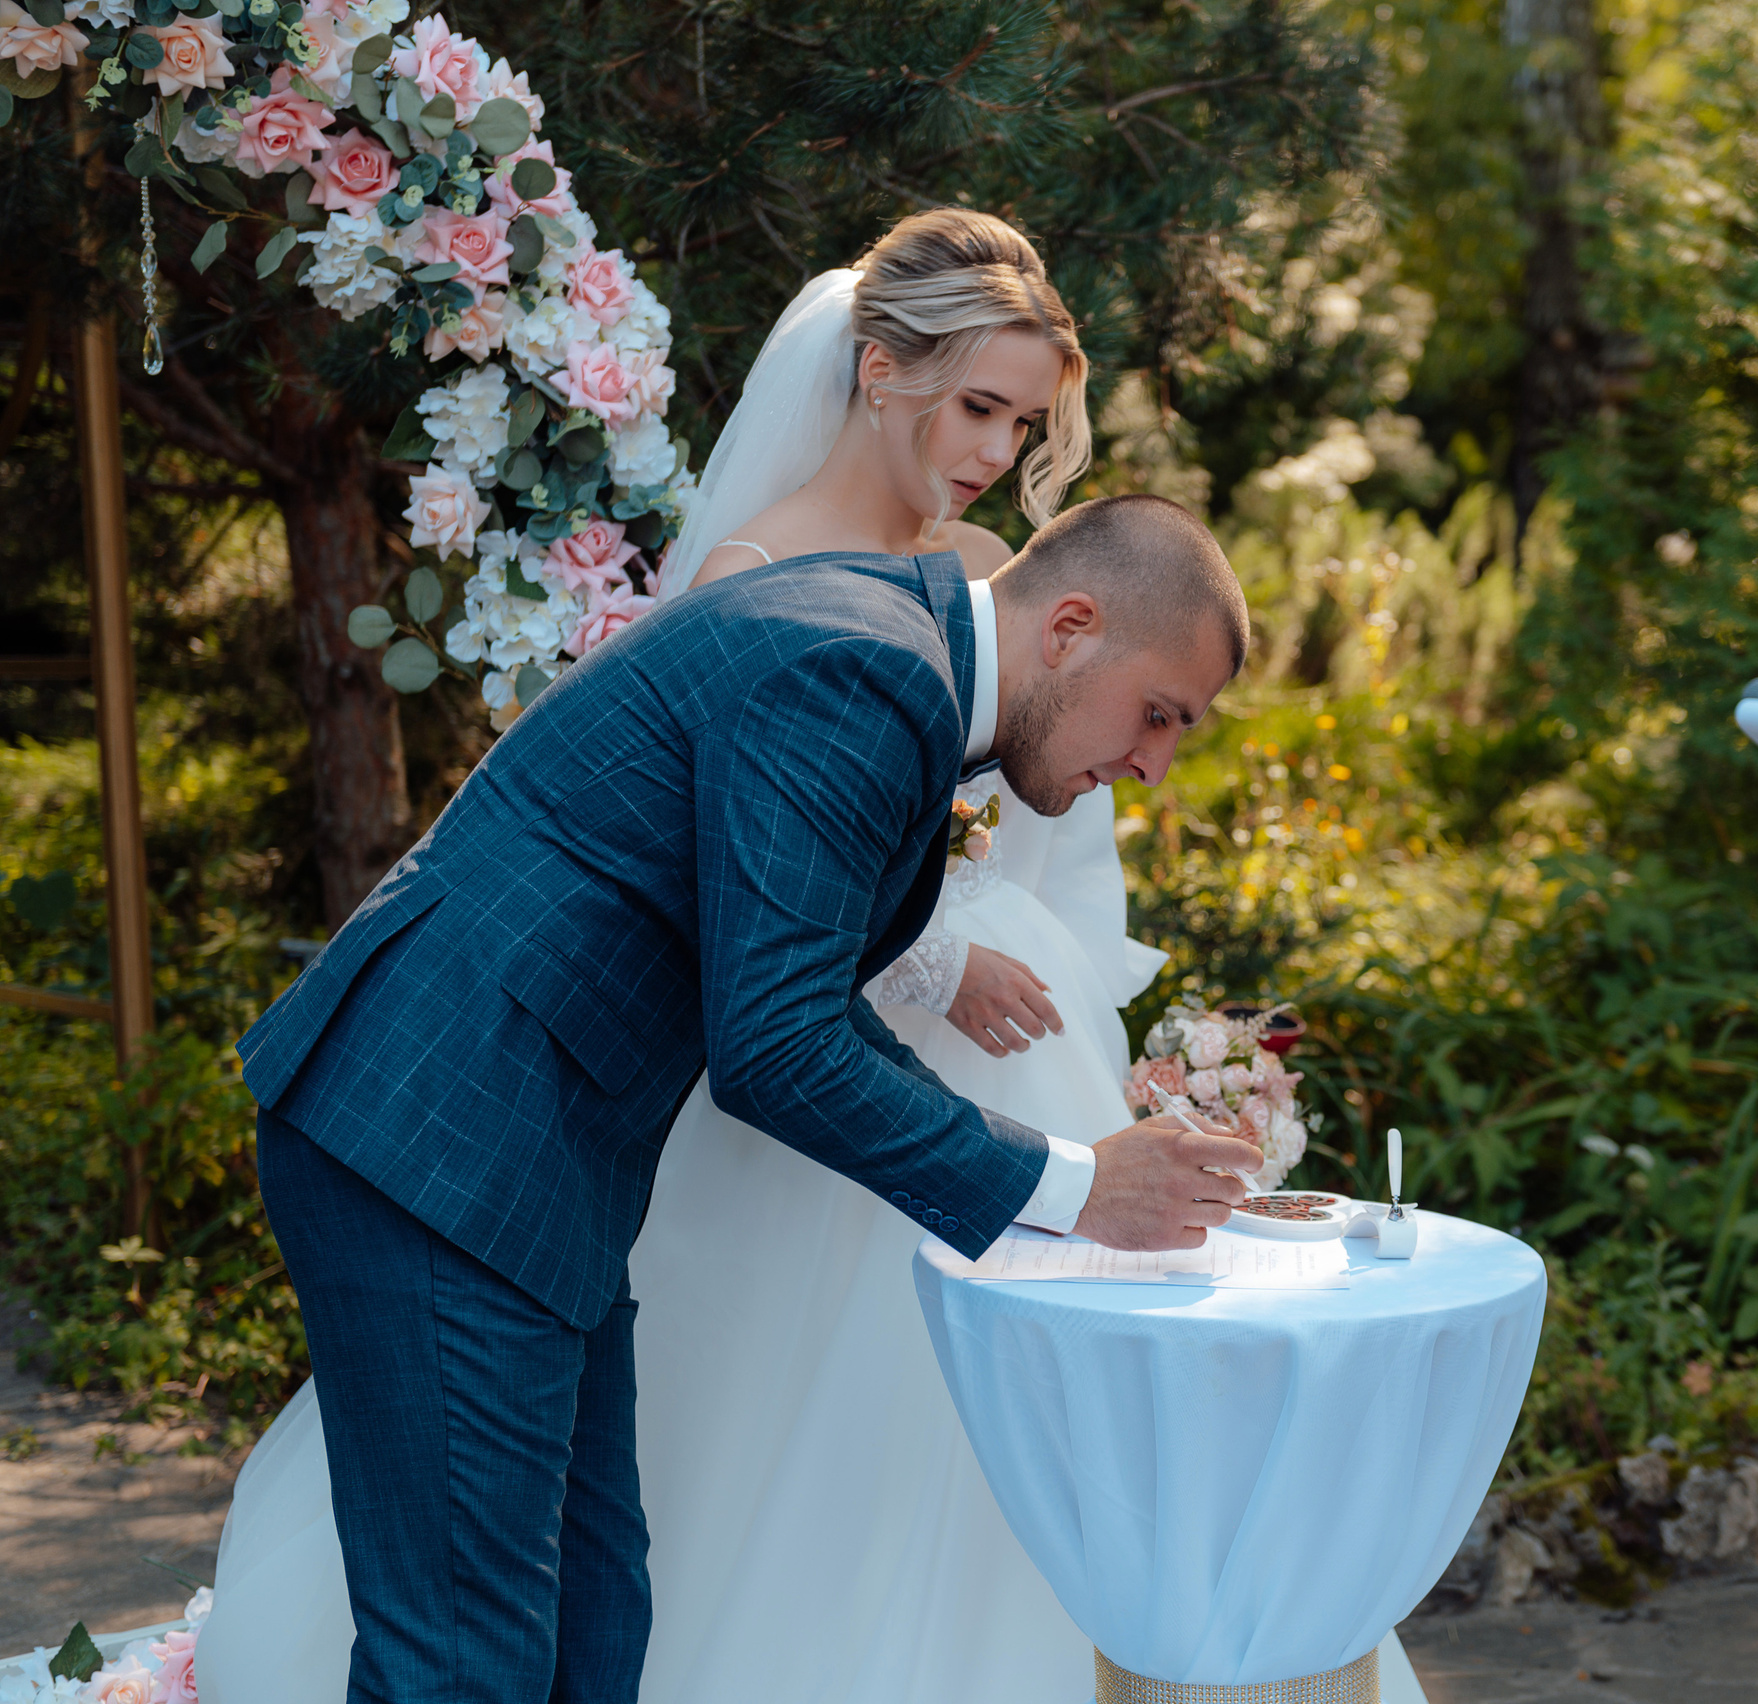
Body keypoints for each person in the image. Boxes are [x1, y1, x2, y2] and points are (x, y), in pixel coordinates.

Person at [200, 210, 1430, 1703]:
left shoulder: (897, 649)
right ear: (1073, 629)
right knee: (465, 1658)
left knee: (597, 1621)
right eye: (1159, 714)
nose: (1157, 763)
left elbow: (802, 990)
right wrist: (1073, 1185)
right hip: (441, 1140)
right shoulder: (867, 672)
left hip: (540, 1149)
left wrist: (1067, 1173)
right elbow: (775, 1046)